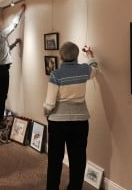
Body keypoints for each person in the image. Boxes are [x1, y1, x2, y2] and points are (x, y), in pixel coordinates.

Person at [42, 42, 98, 190]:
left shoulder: (56, 74)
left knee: (55, 160)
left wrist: (46, 113)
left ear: (61, 56)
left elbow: (49, 103)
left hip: (58, 124)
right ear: (77, 55)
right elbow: (94, 69)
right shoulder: (84, 70)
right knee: (78, 160)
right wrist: (90, 56)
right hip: (80, 122)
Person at [0, 3, 26, 128]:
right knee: (2, 96)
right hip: (1, 70)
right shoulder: (0, 35)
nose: (1, 26)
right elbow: (13, 25)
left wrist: (15, 43)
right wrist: (21, 11)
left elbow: (5, 50)